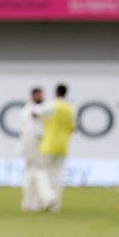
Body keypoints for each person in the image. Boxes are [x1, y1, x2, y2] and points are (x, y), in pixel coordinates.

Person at [35, 84, 76, 212]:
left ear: (56, 92)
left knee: (40, 172)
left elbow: (36, 113)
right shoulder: (70, 107)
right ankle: (55, 205)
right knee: (58, 175)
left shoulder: (52, 104)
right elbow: (73, 128)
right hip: (63, 145)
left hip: (48, 144)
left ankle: (49, 197)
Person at [18, 86, 44, 211]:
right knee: (34, 173)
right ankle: (30, 202)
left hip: (34, 143)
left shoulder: (27, 109)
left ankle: (33, 202)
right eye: (38, 95)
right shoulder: (30, 109)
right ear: (33, 95)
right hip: (34, 144)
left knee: (34, 174)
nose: (41, 97)